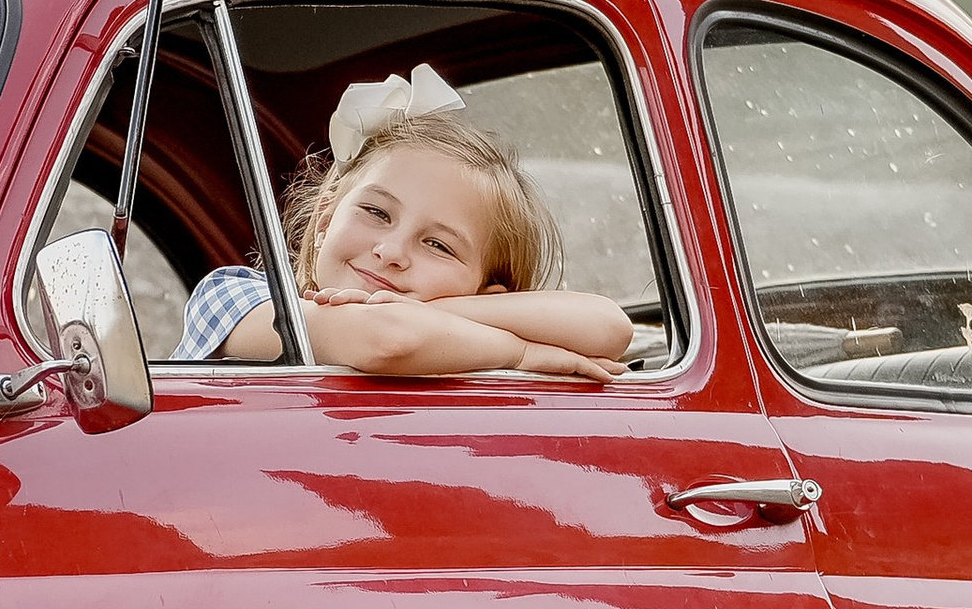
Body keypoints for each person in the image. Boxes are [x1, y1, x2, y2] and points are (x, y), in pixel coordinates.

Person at [170, 64, 634, 378]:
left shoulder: (457, 353)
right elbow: (387, 339)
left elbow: (608, 327)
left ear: (488, 296)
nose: (391, 252)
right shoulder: (236, 299)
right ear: (327, 214)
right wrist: (523, 351)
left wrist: (432, 315)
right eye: (375, 213)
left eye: (438, 245)